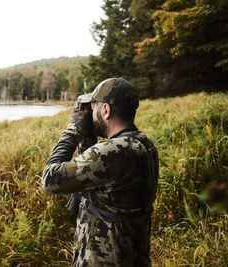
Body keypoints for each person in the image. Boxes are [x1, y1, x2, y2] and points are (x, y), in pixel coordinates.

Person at [41, 77, 159, 266]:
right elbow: (93, 179)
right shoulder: (142, 144)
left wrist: (73, 130)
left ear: (106, 110)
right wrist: (87, 138)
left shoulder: (112, 153)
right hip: (129, 256)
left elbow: (50, 179)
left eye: (93, 107)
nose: (90, 114)